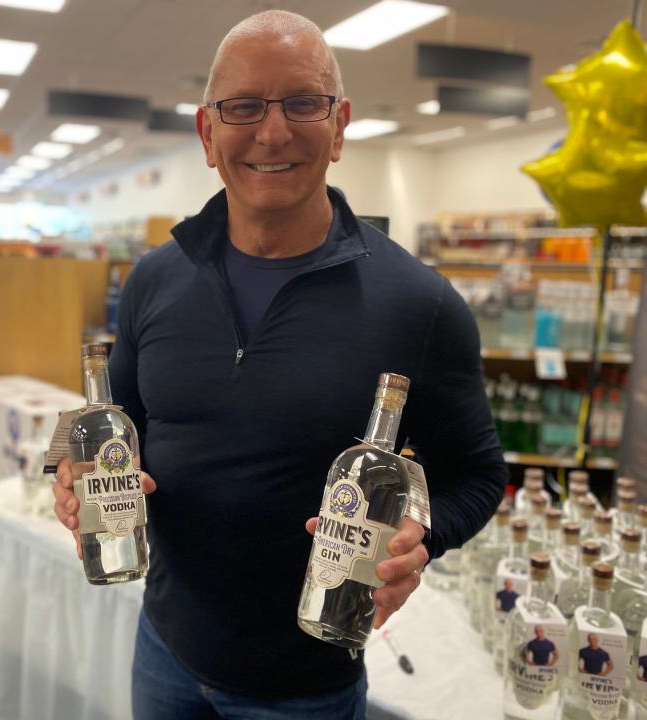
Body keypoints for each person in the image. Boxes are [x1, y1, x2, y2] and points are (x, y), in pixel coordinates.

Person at [52, 10, 507, 719]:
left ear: (340, 124)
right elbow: (124, 428)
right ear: (208, 133)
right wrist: (71, 475)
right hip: (164, 649)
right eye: (243, 107)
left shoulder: (419, 303)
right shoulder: (153, 280)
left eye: (303, 102)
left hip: (307, 687)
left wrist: (424, 537)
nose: (272, 132)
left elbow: (477, 476)